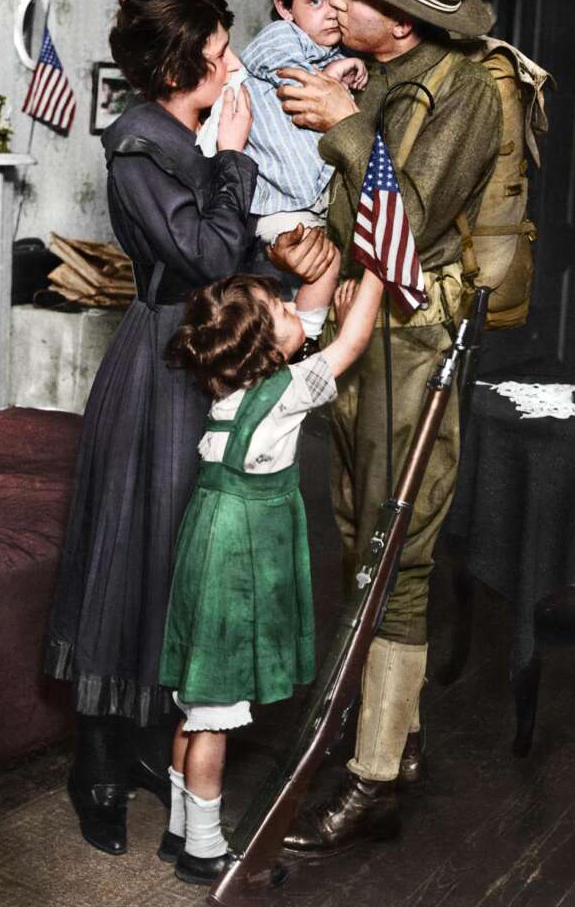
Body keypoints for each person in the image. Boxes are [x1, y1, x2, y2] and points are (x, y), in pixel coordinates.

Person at [44, 0, 337, 857]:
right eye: (218, 54)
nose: (232, 64)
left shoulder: (182, 130)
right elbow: (207, 254)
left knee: (182, 554)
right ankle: (94, 763)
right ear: (182, 66)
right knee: (132, 552)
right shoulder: (139, 144)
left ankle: (143, 743)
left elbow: (232, 243)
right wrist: (236, 156)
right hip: (164, 366)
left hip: (207, 359)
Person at [269, 0, 503, 856]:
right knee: (354, 534)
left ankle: (373, 780)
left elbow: (399, 228)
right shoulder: (394, 71)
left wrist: (344, 123)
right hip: (367, 343)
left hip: (414, 345)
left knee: (395, 551)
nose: (339, 4)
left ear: (400, 20)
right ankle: (382, 744)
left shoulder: (470, 94)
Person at [157, 268, 384, 885]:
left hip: (204, 542)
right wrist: (377, 275)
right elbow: (351, 342)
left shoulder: (233, 382)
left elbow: (304, 322)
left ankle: (178, 828)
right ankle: (204, 848)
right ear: (265, 350)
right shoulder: (284, 390)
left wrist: (314, 295)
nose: (293, 305)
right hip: (236, 560)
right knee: (215, 711)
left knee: (196, 701)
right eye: (279, 307)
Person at [240, 0, 368, 356]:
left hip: (304, 198)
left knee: (324, 263)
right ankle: (304, 341)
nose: (331, 12)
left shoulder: (331, 49)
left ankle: (299, 332)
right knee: (324, 264)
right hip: (277, 201)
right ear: (284, 7)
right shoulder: (281, 40)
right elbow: (288, 73)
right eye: (315, 1)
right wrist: (333, 75)